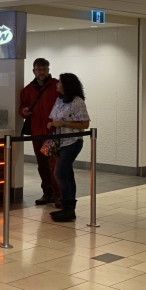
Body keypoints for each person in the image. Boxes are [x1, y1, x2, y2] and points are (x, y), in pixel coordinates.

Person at [47, 73, 90, 223]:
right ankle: (68, 209)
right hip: (60, 142)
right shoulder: (59, 100)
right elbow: (54, 118)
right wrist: (52, 124)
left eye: (59, 82)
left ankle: (67, 207)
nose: (57, 84)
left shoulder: (78, 102)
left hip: (72, 142)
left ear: (66, 85)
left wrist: (64, 123)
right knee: (67, 174)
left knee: (60, 173)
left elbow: (85, 124)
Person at [20, 58, 62, 207]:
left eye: (45, 69)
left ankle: (58, 196)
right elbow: (22, 107)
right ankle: (47, 193)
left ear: (48, 70)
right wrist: (24, 111)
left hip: (53, 132)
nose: (42, 72)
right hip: (37, 132)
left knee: (54, 165)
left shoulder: (57, 86)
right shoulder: (27, 90)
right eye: (39, 70)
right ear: (34, 71)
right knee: (42, 164)